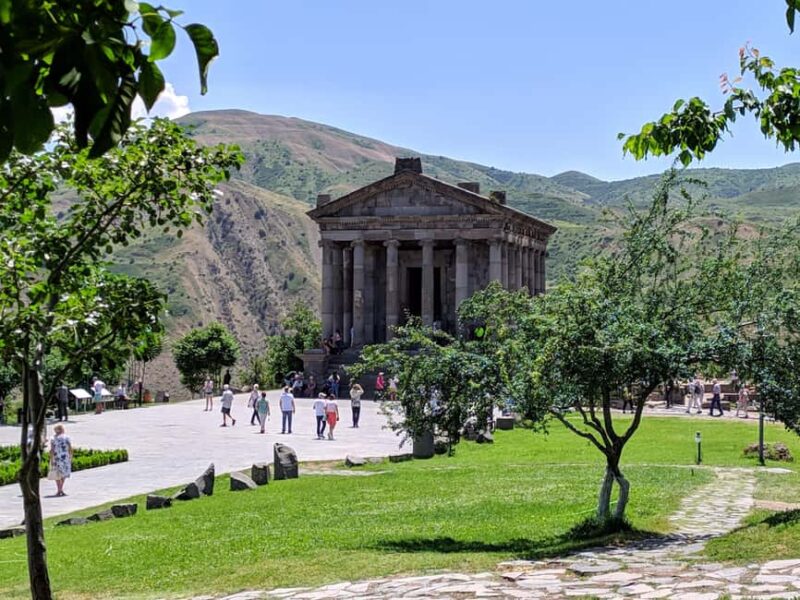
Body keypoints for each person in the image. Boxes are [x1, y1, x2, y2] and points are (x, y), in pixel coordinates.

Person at [48, 424, 73, 497]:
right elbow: (70, 448)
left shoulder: (53, 438)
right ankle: (60, 489)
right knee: (64, 473)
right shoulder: (67, 437)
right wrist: (71, 456)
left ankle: (59, 489)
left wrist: (52, 458)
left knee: (57, 474)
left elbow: (52, 450)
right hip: (65, 457)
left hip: (56, 457)